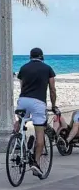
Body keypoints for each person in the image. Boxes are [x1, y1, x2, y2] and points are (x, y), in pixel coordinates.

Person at [15, 47, 60, 178]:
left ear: (30, 57)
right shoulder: (48, 69)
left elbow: (22, 86)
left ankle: (17, 140)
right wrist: (53, 105)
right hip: (38, 102)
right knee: (39, 133)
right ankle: (36, 162)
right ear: (42, 57)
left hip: (23, 100)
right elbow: (52, 89)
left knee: (22, 120)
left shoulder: (23, 68)